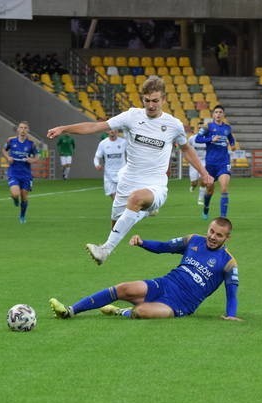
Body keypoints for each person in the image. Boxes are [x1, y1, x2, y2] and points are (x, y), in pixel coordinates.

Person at [47, 75, 212, 265]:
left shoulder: (173, 125)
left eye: (155, 101)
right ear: (142, 99)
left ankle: (105, 250)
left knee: (136, 199)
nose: (151, 105)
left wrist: (204, 173)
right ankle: (144, 212)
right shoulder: (131, 116)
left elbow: (186, 149)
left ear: (164, 100)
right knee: (116, 224)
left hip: (155, 184)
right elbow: (95, 126)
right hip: (128, 180)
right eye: (147, 100)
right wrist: (64, 128)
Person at [49, 217, 242, 321]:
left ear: (227, 238)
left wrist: (231, 315)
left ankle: (119, 312)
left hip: (181, 304)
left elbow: (231, 295)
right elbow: (164, 247)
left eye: (219, 235)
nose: (213, 237)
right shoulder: (193, 240)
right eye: (211, 231)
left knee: (142, 312)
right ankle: (70, 310)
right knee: (123, 288)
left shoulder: (229, 263)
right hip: (164, 284)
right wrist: (142, 243)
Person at [196, 104, 236, 219]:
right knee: (210, 191)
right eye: (216, 112)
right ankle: (206, 207)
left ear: (223, 115)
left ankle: (223, 217)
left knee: (224, 188)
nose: (218, 114)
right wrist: (210, 139)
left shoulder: (227, 128)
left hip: (223, 163)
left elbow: (231, 139)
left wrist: (232, 145)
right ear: (213, 115)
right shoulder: (207, 126)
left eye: (220, 112)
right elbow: (198, 139)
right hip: (210, 164)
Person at [2, 121, 38, 224]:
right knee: (15, 193)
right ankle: (14, 199)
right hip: (14, 172)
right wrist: (8, 157)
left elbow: (37, 156)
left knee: (24, 196)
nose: (23, 130)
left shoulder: (31, 144)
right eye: (21, 128)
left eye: (25, 128)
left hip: (26, 174)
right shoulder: (11, 141)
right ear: (18, 129)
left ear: (28, 130)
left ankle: (22, 216)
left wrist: (31, 160)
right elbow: (4, 150)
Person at [93, 129, 127, 201]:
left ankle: (123, 210)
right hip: (109, 174)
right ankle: (120, 210)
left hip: (122, 173)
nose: (112, 131)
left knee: (123, 195)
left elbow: (132, 153)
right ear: (107, 131)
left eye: (114, 130)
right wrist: (97, 165)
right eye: (110, 130)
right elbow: (97, 157)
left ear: (117, 132)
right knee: (112, 195)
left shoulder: (123, 142)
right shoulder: (103, 143)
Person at [187, 124, 207, 206]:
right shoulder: (192, 138)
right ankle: (193, 186)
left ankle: (200, 199)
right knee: (194, 183)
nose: (200, 129)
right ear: (197, 129)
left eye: (202, 128)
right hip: (194, 161)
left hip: (204, 161)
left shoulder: (208, 139)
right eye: (199, 128)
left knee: (203, 180)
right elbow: (187, 148)